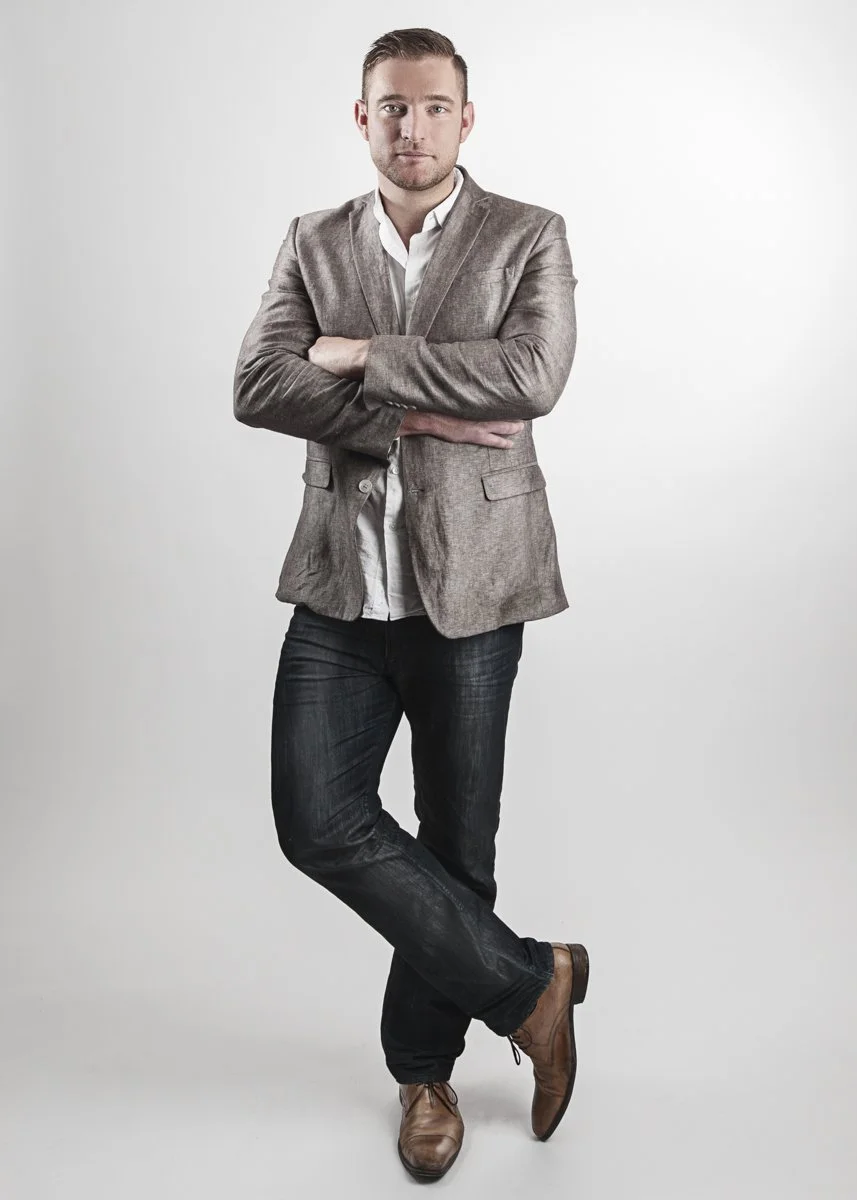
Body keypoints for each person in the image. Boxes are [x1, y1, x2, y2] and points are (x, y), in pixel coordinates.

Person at [233, 26, 589, 1182]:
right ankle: (533, 983)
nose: (413, 127)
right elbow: (258, 381)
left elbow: (529, 377)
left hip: (474, 585)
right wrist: (422, 407)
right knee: (315, 818)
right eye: (392, 106)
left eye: (434, 107)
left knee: (455, 845)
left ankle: (422, 1076)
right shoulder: (312, 239)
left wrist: (357, 355)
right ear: (361, 117)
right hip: (340, 584)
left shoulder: (526, 234)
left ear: (464, 119)